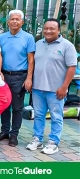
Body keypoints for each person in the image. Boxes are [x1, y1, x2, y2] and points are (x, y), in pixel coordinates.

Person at [26, 18, 77, 155]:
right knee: (39, 115)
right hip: (38, 88)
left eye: (52, 29)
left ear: (59, 30)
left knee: (56, 116)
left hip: (56, 90)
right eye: (46, 28)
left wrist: (64, 86)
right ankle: (37, 139)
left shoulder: (67, 46)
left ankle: (53, 142)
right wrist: (30, 80)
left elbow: (72, 67)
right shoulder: (38, 44)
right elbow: (33, 64)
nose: (48, 31)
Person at [0, 10, 36, 146]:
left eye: (17, 19)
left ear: (22, 22)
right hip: (4, 76)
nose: (14, 21)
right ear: (8, 22)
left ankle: (14, 134)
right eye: (12, 19)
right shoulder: (1, 37)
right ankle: (5, 131)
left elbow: (31, 60)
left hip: (20, 76)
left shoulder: (28, 38)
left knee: (17, 107)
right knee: (4, 105)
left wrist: (29, 78)